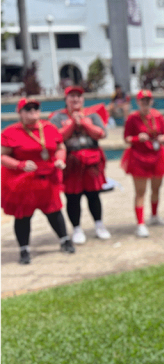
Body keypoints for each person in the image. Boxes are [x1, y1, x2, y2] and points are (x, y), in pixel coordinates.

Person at [1, 98, 75, 264]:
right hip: (24, 181)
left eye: (35, 108)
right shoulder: (11, 132)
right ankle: (24, 249)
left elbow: (60, 147)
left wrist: (60, 159)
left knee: (54, 210)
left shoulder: (49, 127)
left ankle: (64, 240)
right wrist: (19, 164)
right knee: (23, 216)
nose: (32, 112)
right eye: (27, 109)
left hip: (47, 177)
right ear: (19, 112)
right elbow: (2, 155)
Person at [49, 85, 112, 244]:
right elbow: (56, 137)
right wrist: (71, 125)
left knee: (94, 194)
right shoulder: (57, 117)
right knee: (73, 196)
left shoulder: (92, 115)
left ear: (83, 99)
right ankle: (76, 228)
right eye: (72, 96)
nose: (76, 99)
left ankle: (99, 224)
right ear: (66, 100)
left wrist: (84, 123)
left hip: (91, 160)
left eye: (79, 96)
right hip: (71, 161)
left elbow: (101, 133)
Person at [121, 89, 164, 237]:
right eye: (142, 101)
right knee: (140, 192)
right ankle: (140, 223)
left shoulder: (157, 116)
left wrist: (163, 139)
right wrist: (137, 138)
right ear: (138, 102)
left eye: (148, 101)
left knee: (156, 188)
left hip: (157, 155)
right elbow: (126, 139)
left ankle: (154, 215)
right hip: (139, 157)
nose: (145, 104)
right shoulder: (132, 118)